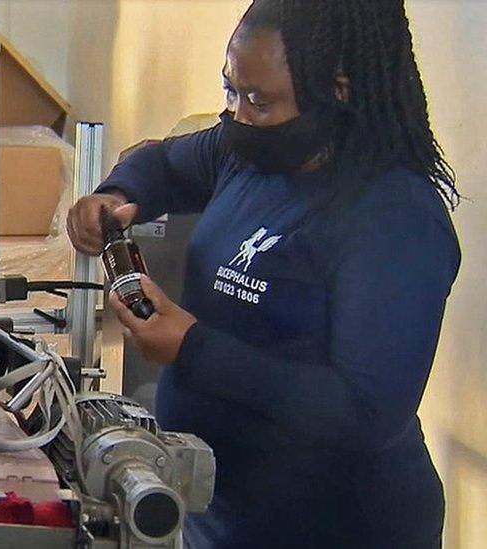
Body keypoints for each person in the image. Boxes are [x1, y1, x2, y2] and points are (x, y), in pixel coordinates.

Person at [68, 1, 458, 547]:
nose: (239, 116)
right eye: (232, 91)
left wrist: (192, 347)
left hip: (336, 526)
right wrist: (117, 196)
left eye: (260, 100)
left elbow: (366, 411)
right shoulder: (249, 153)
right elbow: (162, 163)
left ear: (339, 89)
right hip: (223, 515)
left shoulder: (394, 216)